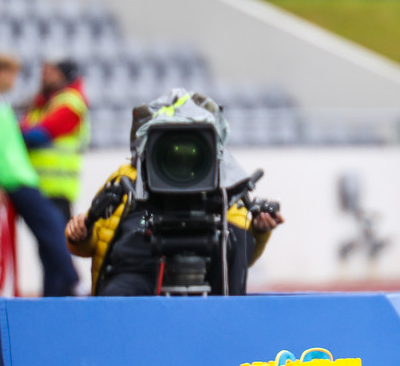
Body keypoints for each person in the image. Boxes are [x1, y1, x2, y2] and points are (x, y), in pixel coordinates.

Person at [65, 89, 283, 296]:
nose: (180, 155)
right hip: (135, 272)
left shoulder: (224, 183)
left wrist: (258, 231)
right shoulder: (126, 179)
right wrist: (80, 235)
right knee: (116, 300)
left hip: (205, 270)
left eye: (191, 143)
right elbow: (90, 244)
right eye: (171, 142)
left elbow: (237, 254)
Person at [0, 53, 81, 297]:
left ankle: (62, 290)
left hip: (36, 181)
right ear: (0, 74)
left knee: (50, 237)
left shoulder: (1, 102)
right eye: (12, 74)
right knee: (52, 235)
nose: (15, 80)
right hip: (16, 178)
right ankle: (73, 283)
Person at [20, 58, 90, 224]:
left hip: (57, 189)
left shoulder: (70, 104)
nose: (44, 75)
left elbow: (38, 135)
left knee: (58, 238)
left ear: (64, 75)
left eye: (50, 71)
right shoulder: (44, 102)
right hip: (37, 185)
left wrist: (16, 133)